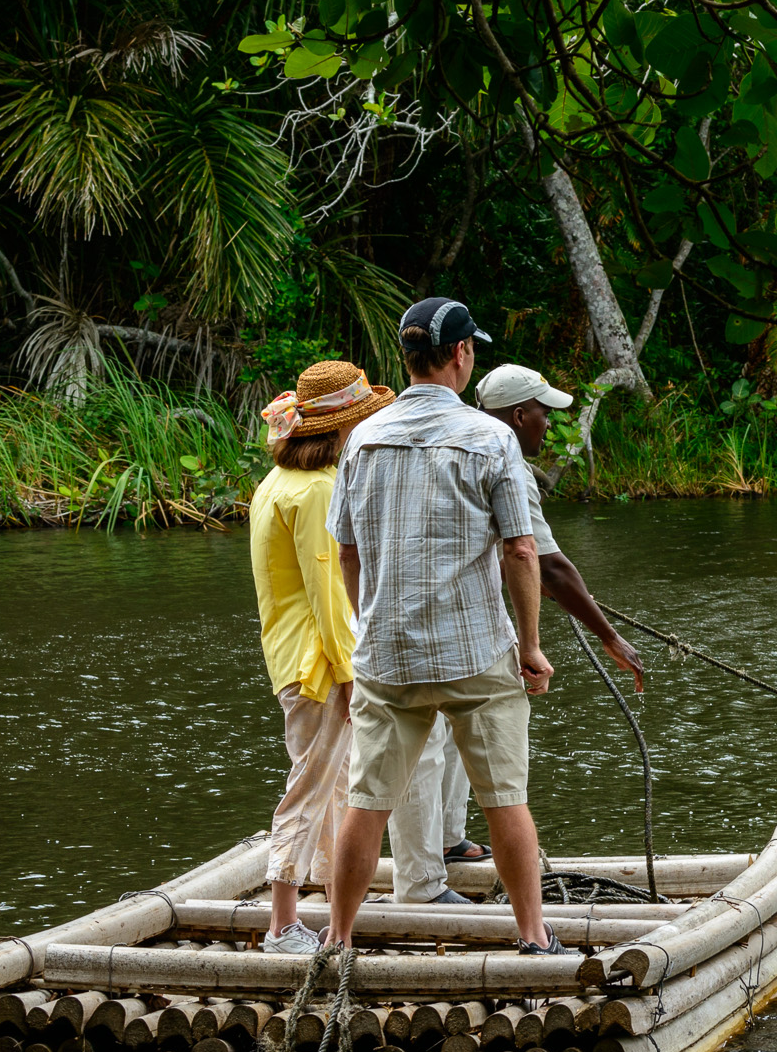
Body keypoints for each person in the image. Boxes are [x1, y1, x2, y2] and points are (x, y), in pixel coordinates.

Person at [325, 297, 570, 953]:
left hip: (386, 657)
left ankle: (338, 940)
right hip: (474, 654)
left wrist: (367, 623)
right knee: (504, 799)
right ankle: (532, 936)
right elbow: (522, 550)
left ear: (407, 359)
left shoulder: (362, 440)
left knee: (367, 803)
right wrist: (532, 648)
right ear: (461, 354)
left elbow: (347, 552)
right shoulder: (491, 438)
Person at [385, 363, 646, 906]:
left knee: (451, 738)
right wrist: (607, 636)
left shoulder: (449, 439)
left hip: (437, 621)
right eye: (544, 415)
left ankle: (449, 840)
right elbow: (542, 565)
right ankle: (420, 887)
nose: (548, 425)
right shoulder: (501, 456)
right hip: (443, 627)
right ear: (520, 414)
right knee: (431, 750)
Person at [248, 359, 395, 954]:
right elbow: (332, 597)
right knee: (310, 788)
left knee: (334, 787)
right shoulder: (318, 491)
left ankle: (338, 910)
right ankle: (281, 922)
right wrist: (353, 672)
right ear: (338, 432)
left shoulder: (276, 485)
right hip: (319, 665)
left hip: (295, 658)